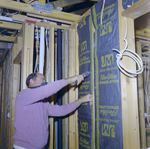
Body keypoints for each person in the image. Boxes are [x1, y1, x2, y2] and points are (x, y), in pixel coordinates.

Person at [13, 72, 93, 149]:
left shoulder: (43, 103)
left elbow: (61, 110)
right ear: (31, 81)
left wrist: (81, 100)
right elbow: (46, 91)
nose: (45, 82)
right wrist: (71, 79)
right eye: (42, 80)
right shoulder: (23, 95)